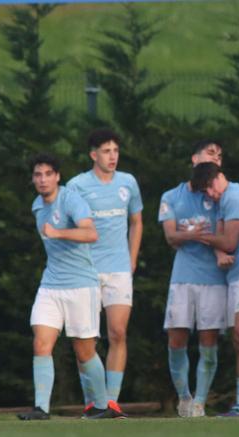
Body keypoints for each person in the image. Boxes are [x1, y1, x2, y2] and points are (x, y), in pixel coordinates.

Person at [18, 154, 120, 420]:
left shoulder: (71, 199)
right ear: (32, 179)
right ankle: (41, 408)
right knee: (41, 343)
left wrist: (59, 232)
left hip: (81, 286)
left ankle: (101, 405)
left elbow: (91, 233)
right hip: (51, 284)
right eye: (38, 175)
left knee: (84, 350)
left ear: (57, 177)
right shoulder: (37, 206)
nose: (42, 179)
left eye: (48, 174)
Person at [66, 129, 142, 415]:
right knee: (86, 338)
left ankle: (110, 401)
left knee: (118, 332)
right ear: (93, 155)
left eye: (116, 151)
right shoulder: (77, 185)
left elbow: (137, 222)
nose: (113, 156)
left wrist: (132, 258)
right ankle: (93, 400)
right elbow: (70, 226)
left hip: (119, 269)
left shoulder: (128, 183)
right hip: (86, 271)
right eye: (106, 151)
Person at [188, 162, 239, 418]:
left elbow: (229, 242)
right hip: (237, 273)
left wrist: (198, 236)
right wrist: (217, 246)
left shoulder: (233, 195)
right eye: (205, 191)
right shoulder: (226, 200)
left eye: (211, 187)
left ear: (221, 176)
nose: (210, 194)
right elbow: (223, 243)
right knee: (237, 337)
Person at [158, 141, 228, 417]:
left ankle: (199, 402)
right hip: (182, 278)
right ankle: (184, 397)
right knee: (176, 339)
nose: (216, 159)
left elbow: (228, 235)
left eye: (220, 156)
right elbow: (171, 237)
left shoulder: (221, 195)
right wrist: (193, 234)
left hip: (214, 278)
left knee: (208, 342)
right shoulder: (172, 196)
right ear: (194, 157)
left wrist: (195, 235)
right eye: (211, 153)